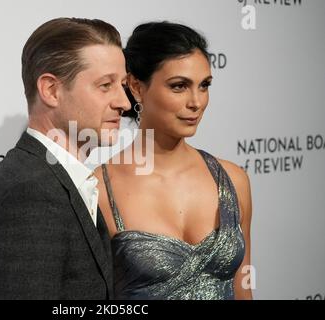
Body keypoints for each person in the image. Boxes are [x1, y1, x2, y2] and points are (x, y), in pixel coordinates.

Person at [0, 18, 131, 299]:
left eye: (122, 84)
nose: (124, 102)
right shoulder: (30, 194)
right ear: (51, 90)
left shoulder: (48, 178)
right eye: (105, 85)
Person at [95, 22, 253, 300]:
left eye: (204, 86)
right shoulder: (98, 190)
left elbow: (243, 289)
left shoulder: (233, 179)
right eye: (179, 86)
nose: (196, 102)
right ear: (135, 87)